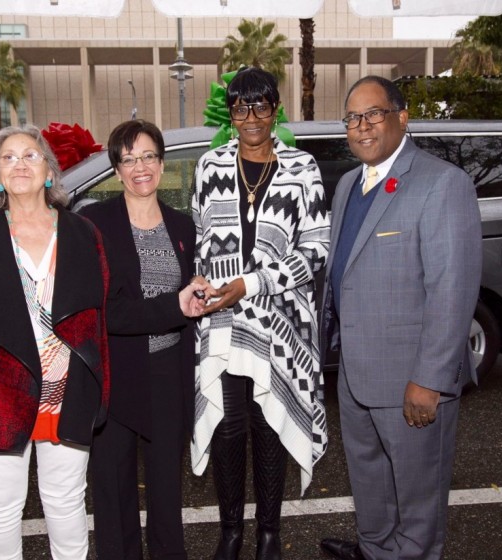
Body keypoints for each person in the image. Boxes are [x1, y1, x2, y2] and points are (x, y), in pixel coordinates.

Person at [0, 124, 206, 560]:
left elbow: (104, 308)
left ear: (50, 173)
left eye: (31, 156)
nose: (20, 164)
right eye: (9, 157)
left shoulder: (79, 232)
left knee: (67, 504)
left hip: (66, 391)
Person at [319, 76, 482, 560]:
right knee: (369, 478)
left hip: (411, 378)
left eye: (373, 114)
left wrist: (429, 380)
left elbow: (452, 291)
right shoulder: (349, 183)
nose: (362, 126)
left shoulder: (442, 183)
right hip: (355, 372)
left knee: (416, 497)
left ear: (402, 116)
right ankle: (374, 550)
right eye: (353, 117)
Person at [190, 66, 330, 560]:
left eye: (262, 106)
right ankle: (231, 532)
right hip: (223, 323)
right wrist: (204, 284)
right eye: (241, 107)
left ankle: (268, 533)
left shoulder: (302, 168)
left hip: (279, 320)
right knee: (228, 426)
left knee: (269, 422)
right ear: (231, 113)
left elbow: (315, 251)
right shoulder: (209, 167)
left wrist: (249, 283)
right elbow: (202, 242)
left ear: (276, 109)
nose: (251, 117)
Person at [80, 119, 196, 559]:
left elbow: (188, 295)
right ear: (116, 170)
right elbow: (103, 310)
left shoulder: (182, 226)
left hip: (168, 376)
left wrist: (198, 293)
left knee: (167, 494)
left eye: (148, 156)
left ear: (162, 164)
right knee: (113, 498)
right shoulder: (94, 223)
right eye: (127, 159)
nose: (139, 166)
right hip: (114, 376)